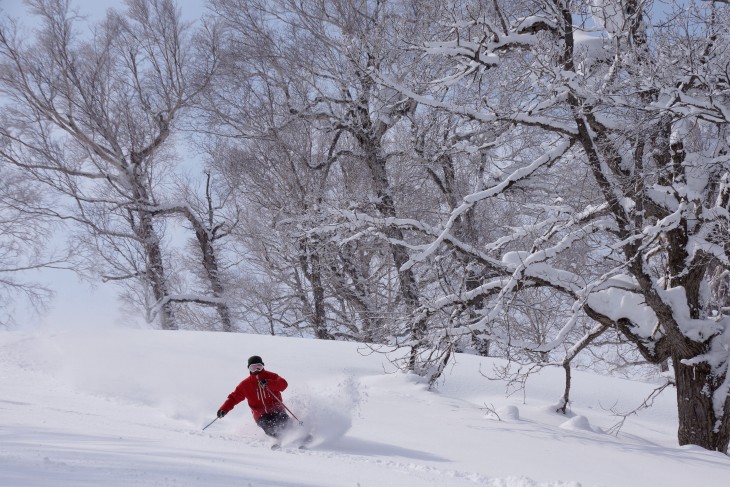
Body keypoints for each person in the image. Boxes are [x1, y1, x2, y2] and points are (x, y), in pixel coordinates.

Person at [217, 355, 292, 439]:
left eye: (259, 367)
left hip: (277, 409)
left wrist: (268, 382)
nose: (256, 370)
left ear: (263, 366)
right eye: (253, 367)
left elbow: (283, 385)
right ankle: (282, 441)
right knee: (270, 427)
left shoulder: (272, 376)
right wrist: (224, 409)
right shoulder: (245, 385)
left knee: (287, 424)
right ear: (249, 368)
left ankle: (300, 437)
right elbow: (233, 398)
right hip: (261, 415)